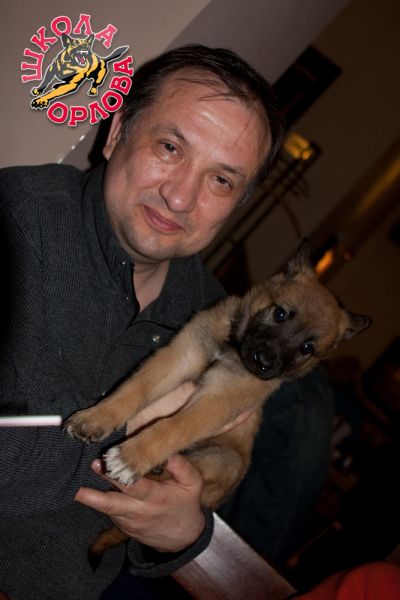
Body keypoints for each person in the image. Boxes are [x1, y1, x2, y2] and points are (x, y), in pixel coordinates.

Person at [0, 44, 284, 600]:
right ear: (116, 133)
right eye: (169, 147)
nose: (180, 197)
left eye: (221, 181)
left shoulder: (220, 320)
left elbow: (185, 494)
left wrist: (181, 534)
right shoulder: (15, 219)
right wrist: (133, 428)